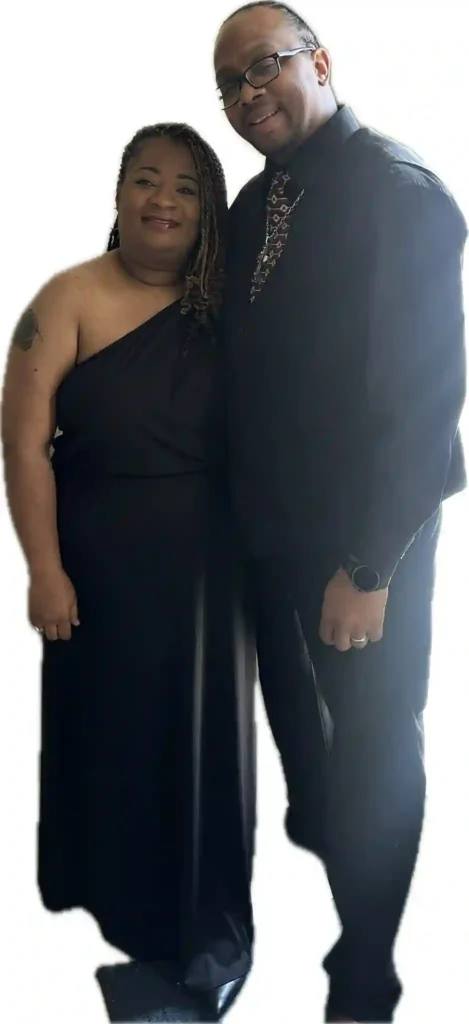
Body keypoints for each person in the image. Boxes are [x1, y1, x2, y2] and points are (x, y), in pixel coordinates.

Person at [214, 3, 467, 1022]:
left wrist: (366, 567)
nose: (245, 95)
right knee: (307, 741)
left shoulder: (397, 194)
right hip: (269, 531)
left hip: (365, 540)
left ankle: (366, 964)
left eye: (261, 67)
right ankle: (334, 847)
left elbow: (421, 405)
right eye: (227, 84)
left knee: (372, 742)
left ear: (319, 61)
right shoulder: (256, 202)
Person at [1, 122, 256, 1020]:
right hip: (95, 569)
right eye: (145, 180)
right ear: (116, 193)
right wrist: (44, 570)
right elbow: (23, 446)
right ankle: (116, 904)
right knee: (107, 736)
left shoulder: (232, 305)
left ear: (207, 209)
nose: (163, 201)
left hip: (207, 575)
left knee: (197, 749)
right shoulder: (67, 296)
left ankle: (198, 939)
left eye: (185, 188)